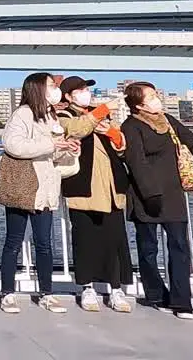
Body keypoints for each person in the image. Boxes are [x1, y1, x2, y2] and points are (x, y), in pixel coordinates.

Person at [120, 82, 193, 320]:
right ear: (139, 104)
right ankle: (156, 294)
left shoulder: (168, 121)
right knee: (148, 249)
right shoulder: (131, 126)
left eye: (156, 94)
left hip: (172, 194)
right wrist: (150, 193)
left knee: (180, 247)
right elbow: (136, 162)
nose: (156, 99)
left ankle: (181, 301)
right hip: (145, 196)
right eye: (151, 96)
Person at [0, 72, 81, 314]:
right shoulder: (23, 114)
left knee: (44, 243)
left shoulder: (50, 116)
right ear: (37, 88)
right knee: (14, 240)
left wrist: (69, 149)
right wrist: (53, 144)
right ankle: (8, 292)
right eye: (51, 85)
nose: (55, 89)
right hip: (24, 184)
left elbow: (52, 153)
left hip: (46, 186)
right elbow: (13, 145)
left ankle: (46, 292)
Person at [56, 76, 131, 313]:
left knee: (115, 238)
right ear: (68, 96)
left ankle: (116, 288)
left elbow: (121, 145)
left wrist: (113, 134)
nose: (85, 93)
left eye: (86, 89)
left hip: (111, 185)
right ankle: (86, 287)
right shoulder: (64, 116)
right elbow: (77, 129)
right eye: (79, 90)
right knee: (85, 237)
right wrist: (103, 110)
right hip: (83, 186)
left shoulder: (101, 115)